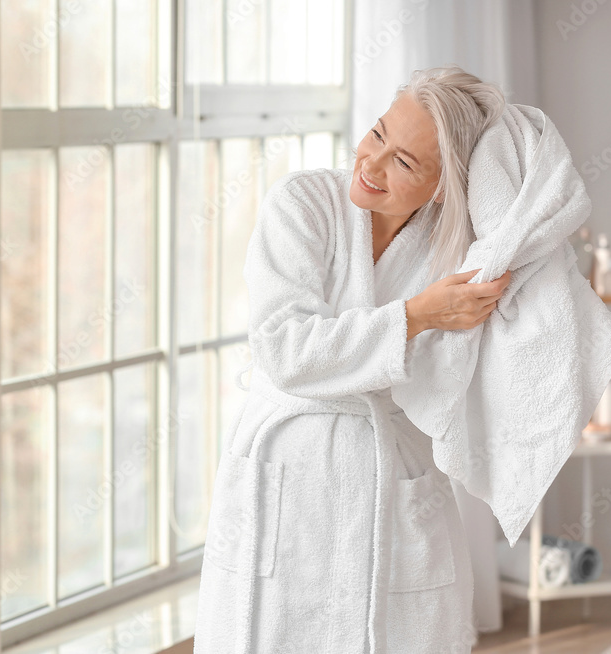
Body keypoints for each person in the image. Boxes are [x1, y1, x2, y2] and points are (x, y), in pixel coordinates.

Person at [193, 65, 512, 653]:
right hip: (286, 460)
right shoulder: (303, 204)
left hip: (392, 462)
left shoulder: (463, 246)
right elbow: (284, 349)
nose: (370, 163)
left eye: (404, 162)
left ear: (445, 187)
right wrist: (416, 316)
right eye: (377, 134)